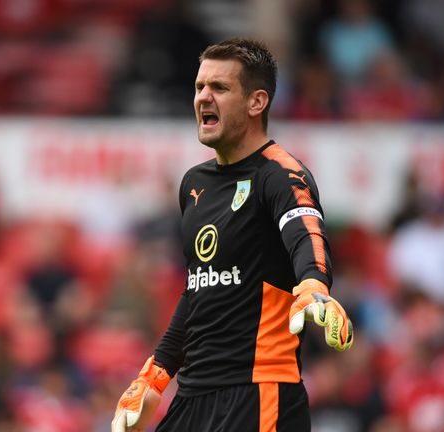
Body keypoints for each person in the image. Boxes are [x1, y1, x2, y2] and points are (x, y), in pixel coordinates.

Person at [111, 38, 354, 432]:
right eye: (199, 87)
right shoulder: (194, 184)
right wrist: (155, 375)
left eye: (219, 88)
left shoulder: (280, 174)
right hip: (193, 397)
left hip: (260, 392)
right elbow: (198, 290)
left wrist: (313, 283)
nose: (204, 97)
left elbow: (305, 232)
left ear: (256, 102)